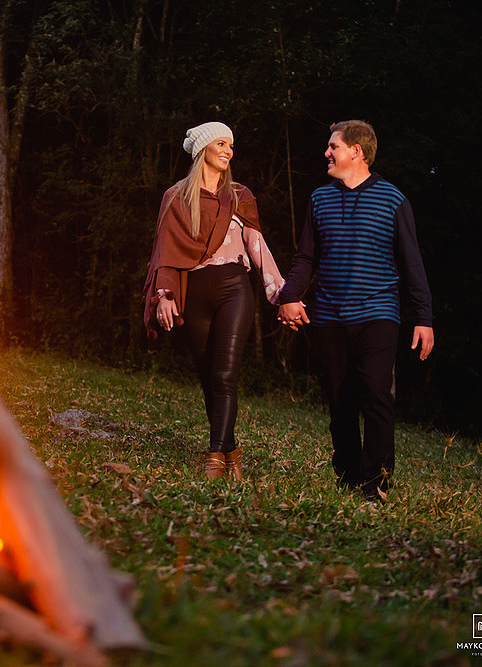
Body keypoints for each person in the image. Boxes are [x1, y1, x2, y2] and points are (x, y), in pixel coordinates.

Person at [277, 119, 434, 502]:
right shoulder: (320, 199)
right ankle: (348, 479)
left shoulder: (393, 199)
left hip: (378, 314)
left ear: (356, 151)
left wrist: (424, 318)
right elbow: (305, 258)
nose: (326, 153)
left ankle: (375, 485)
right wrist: (288, 295)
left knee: (377, 396)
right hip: (329, 317)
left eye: (333, 147)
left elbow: (412, 262)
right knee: (340, 402)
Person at [143, 121, 286, 481]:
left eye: (231, 146)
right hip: (194, 291)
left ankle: (213, 458)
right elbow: (164, 252)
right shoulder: (175, 197)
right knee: (209, 376)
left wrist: (282, 293)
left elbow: (257, 246)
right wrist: (164, 295)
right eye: (220, 143)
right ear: (203, 149)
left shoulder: (238, 195)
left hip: (233, 288)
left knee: (224, 374)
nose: (227, 151)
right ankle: (231, 451)